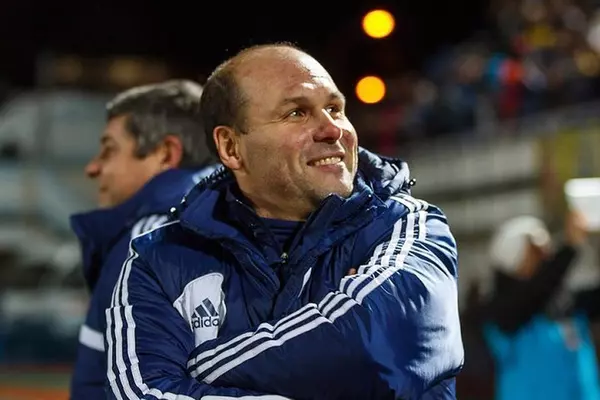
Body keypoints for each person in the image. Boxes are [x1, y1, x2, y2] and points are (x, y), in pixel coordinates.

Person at [105, 43, 464, 400]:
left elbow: (376, 349)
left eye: (335, 109)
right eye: (297, 113)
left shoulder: (407, 226)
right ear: (231, 147)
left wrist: (201, 372)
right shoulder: (159, 261)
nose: (332, 130)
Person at [69, 80, 219, 400]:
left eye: (109, 150)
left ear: (166, 154)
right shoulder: (245, 222)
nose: (93, 168)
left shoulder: (146, 242)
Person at [478, 212, 600, 400]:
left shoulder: (565, 305)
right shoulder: (503, 313)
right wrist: (569, 248)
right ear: (513, 258)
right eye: (536, 251)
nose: (547, 258)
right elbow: (533, 294)